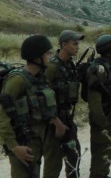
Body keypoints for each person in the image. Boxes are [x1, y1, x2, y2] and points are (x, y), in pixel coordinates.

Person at [0, 35, 68, 178]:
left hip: (40, 139)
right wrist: (14, 147)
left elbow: (45, 106)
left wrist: (57, 123)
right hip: (22, 142)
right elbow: (2, 116)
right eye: (47, 54)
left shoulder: (40, 78)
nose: (50, 57)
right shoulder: (17, 80)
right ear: (37, 57)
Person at [44, 30, 84, 178]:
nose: (77, 46)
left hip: (66, 118)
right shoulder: (51, 67)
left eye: (78, 43)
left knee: (74, 156)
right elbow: (43, 97)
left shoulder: (70, 65)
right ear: (63, 44)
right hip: (52, 122)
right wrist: (56, 123)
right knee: (53, 164)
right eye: (74, 43)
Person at [87, 34, 111, 178]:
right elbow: (94, 102)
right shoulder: (98, 69)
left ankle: (104, 174)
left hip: (109, 117)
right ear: (108, 50)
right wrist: (103, 123)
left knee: (108, 149)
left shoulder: (110, 66)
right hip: (101, 119)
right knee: (100, 153)